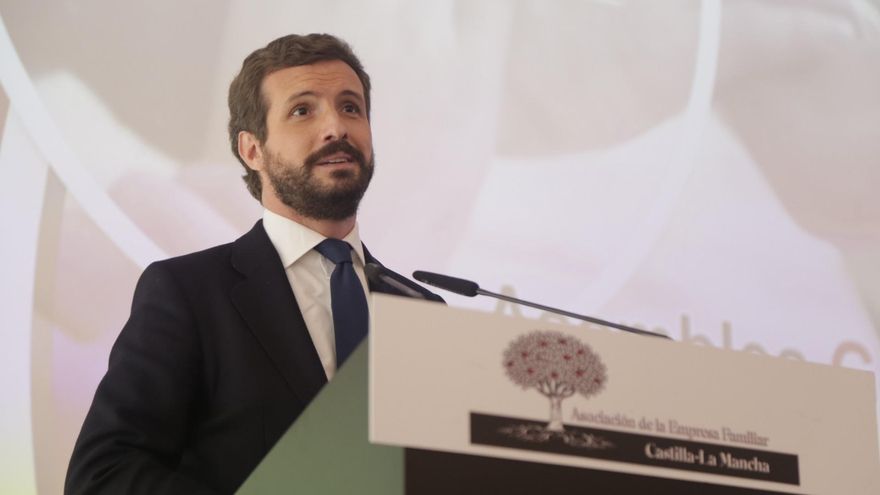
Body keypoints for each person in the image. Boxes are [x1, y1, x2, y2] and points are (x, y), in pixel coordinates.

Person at [65, 33, 442, 495]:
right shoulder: (187, 292)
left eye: (351, 107)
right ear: (252, 150)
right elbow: (103, 475)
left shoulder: (422, 310)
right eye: (303, 110)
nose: (337, 128)